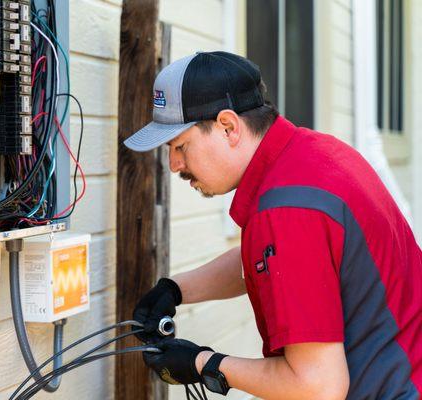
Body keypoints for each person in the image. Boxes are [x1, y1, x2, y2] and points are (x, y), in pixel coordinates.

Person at [124, 51, 422, 399]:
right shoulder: (313, 156)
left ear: (228, 127)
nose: (174, 164)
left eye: (181, 146)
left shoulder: (285, 211)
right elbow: (271, 260)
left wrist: (203, 363)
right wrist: (174, 290)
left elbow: (318, 387)